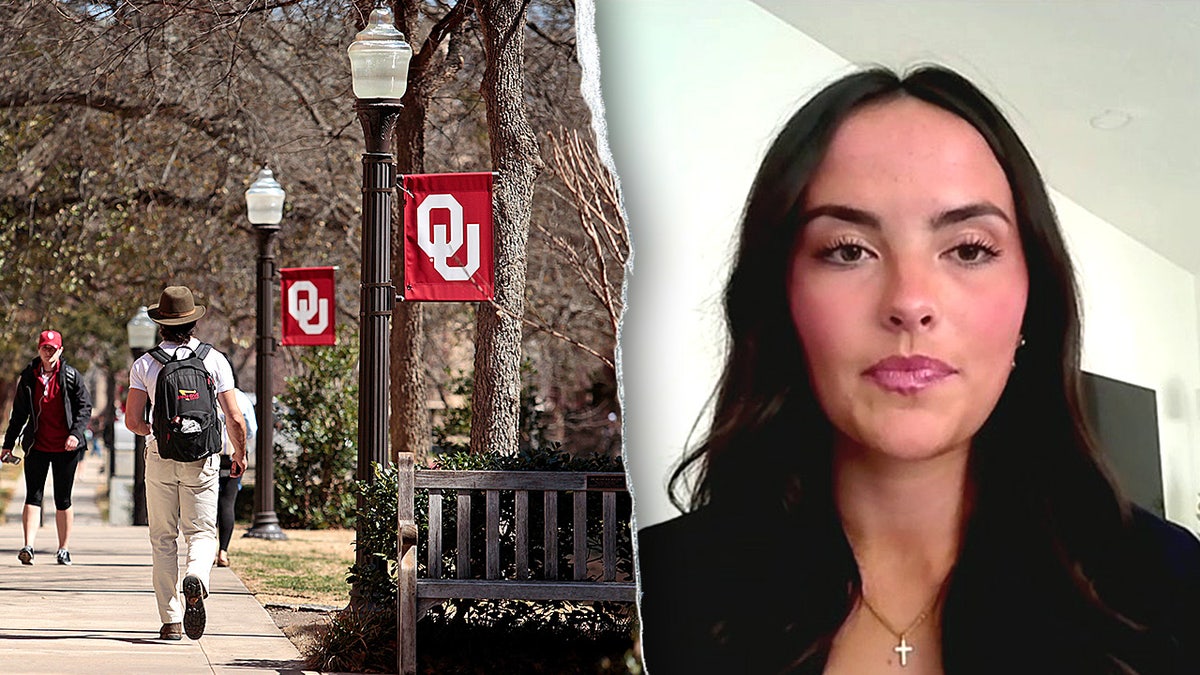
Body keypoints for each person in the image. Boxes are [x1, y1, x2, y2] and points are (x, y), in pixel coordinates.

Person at [635, 65, 1200, 674]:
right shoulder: (647, 599)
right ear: (781, 299)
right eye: (848, 250)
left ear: (1033, 301)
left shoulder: (1166, 591)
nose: (909, 301)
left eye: (968, 250)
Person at [124, 286, 247, 642]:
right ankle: (197, 576)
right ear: (193, 322)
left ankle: (171, 620)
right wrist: (239, 454)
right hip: (203, 459)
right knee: (202, 532)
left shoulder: (145, 364)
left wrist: (156, 433)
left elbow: (132, 420)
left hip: (160, 456)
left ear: (160, 324)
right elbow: (235, 418)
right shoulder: (214, 360)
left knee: (163, 539)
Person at [1, 330, 93, 566]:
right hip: (37, 446)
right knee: (33, 496)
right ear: (39, 349)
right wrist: (8, 445)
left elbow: (84, 408)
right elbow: (19, 414)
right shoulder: (29, 377)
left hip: (66, 447)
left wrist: (75, 434)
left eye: (53, 348)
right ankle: (28, 546)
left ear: (60, 350)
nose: (48, 351)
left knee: (63, 499)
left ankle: (63, 549)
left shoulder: (71, 376)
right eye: (45, 347)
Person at [215, 386, 255, 567]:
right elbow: (251, 429)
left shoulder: (204, 391)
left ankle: (205, 551)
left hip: (208, 456)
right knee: (228, 503)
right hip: (233, 456)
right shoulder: (241, 398)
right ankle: (223, 551)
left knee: (206, 506)